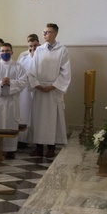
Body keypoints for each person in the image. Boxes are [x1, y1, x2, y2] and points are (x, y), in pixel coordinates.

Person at [29, 23, 71, 159]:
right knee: (38, 118)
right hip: (40, 90)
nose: (45, 34)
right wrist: (37, 85)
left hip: (53, 90)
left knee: (52, 120)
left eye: (48, 32)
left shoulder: (62, 50)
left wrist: (53, 85)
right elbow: (32, 70)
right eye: (44, 32)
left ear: (55, 34)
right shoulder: (39, 50)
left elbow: (65, 72)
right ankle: (38, 147)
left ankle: (51, 147)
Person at [0, 43, 28, 159]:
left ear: (12, 52)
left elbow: (23, 82)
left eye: (7, 51)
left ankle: (10, 149)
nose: (5, 53)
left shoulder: (18, 67)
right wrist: (0, 84)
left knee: (10, 124)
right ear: (0, 52)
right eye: (2, 51)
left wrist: (11, 83)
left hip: (11, 100)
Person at [17, 34, 40, 149]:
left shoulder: (42, 56)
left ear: (39, 44)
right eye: (31, 46)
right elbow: (18, 72)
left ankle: (37, 140)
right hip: (25, 90)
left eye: (35, 45)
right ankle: (22, 139)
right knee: (24, 113)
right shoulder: (23, 56)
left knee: (36, 114)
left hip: (38, 88)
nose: (33, 48)